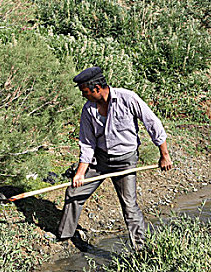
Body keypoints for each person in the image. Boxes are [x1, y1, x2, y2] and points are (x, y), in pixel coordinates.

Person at [57, 67, 173, 252]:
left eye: (84, 91)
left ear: (95, 88)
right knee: (74, 193)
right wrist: (80, 173)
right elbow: (87, 144)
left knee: (129, 205)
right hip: (101, 160)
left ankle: (142, 250)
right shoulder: (88, 110)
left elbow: (152, 123)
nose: (83, 95)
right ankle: (64, 237)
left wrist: (164, 155)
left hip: (125, 161)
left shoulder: (128, 98)